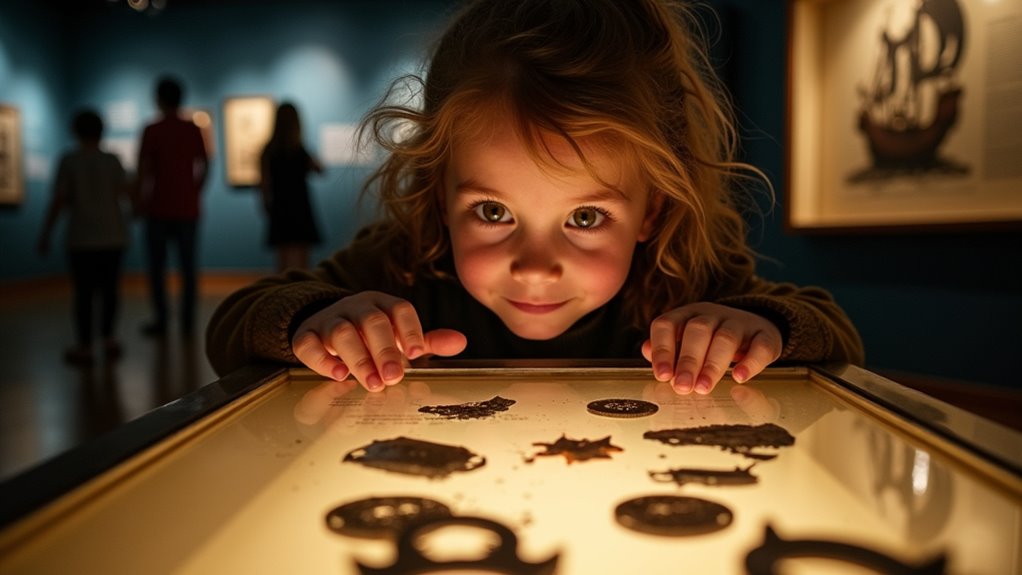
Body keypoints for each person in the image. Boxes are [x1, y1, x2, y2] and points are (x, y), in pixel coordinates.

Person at [206, 0, 864, 394]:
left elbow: (834, 334)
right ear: (441, 198)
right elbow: (236, 322)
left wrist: (763, 329)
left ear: (651, 211)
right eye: (493, 212)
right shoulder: (406, 266)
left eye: (585, 216)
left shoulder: (686, 282)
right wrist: (316, 322)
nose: (535, 266)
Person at [38, 109, 132, 365]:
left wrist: (45, 234)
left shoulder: (69, 161)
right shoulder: (112, 160)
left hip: (81, 237)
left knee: (84, 293)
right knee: (110, 290)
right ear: (102, 131)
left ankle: (85, 346)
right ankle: (109, 338)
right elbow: (125, 193)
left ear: (75, 131)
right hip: (113, 235)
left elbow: (59, 201)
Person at [136, 75, 209, 337]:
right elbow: (206, 164)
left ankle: (163, 320)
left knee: (158, 268)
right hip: (187, 208)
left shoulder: (152, 130)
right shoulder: (192, 129)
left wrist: (138, 201)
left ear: (158, 99)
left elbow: (144, 170)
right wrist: (195, 190)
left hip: (157, 208)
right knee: (188, 268)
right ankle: (187, 322)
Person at [260, 102, 324, 272]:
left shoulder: (269, 150)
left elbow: (264, 183)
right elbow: (320, 170)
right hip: (300, 204)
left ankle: (283, 295)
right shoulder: (300, 150)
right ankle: (304, 295)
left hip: (280, 205)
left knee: (281, 260)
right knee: (303, 259)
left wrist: (265, 205)